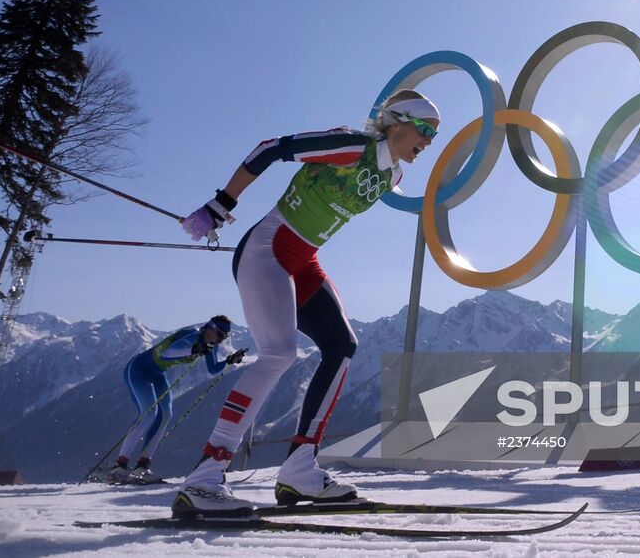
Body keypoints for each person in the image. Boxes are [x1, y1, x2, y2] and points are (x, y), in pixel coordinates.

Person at [172, 89, 440, 517]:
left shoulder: (393, 178)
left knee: (342, 346)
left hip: (304, 260)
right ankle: (204, 478)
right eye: (424, 129)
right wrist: (221, 203)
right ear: (396, 120)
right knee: (279, 353)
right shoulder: (352, 145)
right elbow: (271, 149)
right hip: (268, 250)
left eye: (434, 135)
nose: (428, 141)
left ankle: (299, 468)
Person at [108, 315, 247, 484]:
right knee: (149, 414)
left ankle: (142, 466)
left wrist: (228, 361)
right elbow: (169, 352)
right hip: (138, 370)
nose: (221, 340)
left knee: (165, 415)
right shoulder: (192, 335)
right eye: (220, 335)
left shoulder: (209, 346)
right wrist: (195, 349)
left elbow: (213, 370)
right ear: (210, 328)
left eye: (225, 337)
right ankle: (120, 465)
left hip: (158, 374)